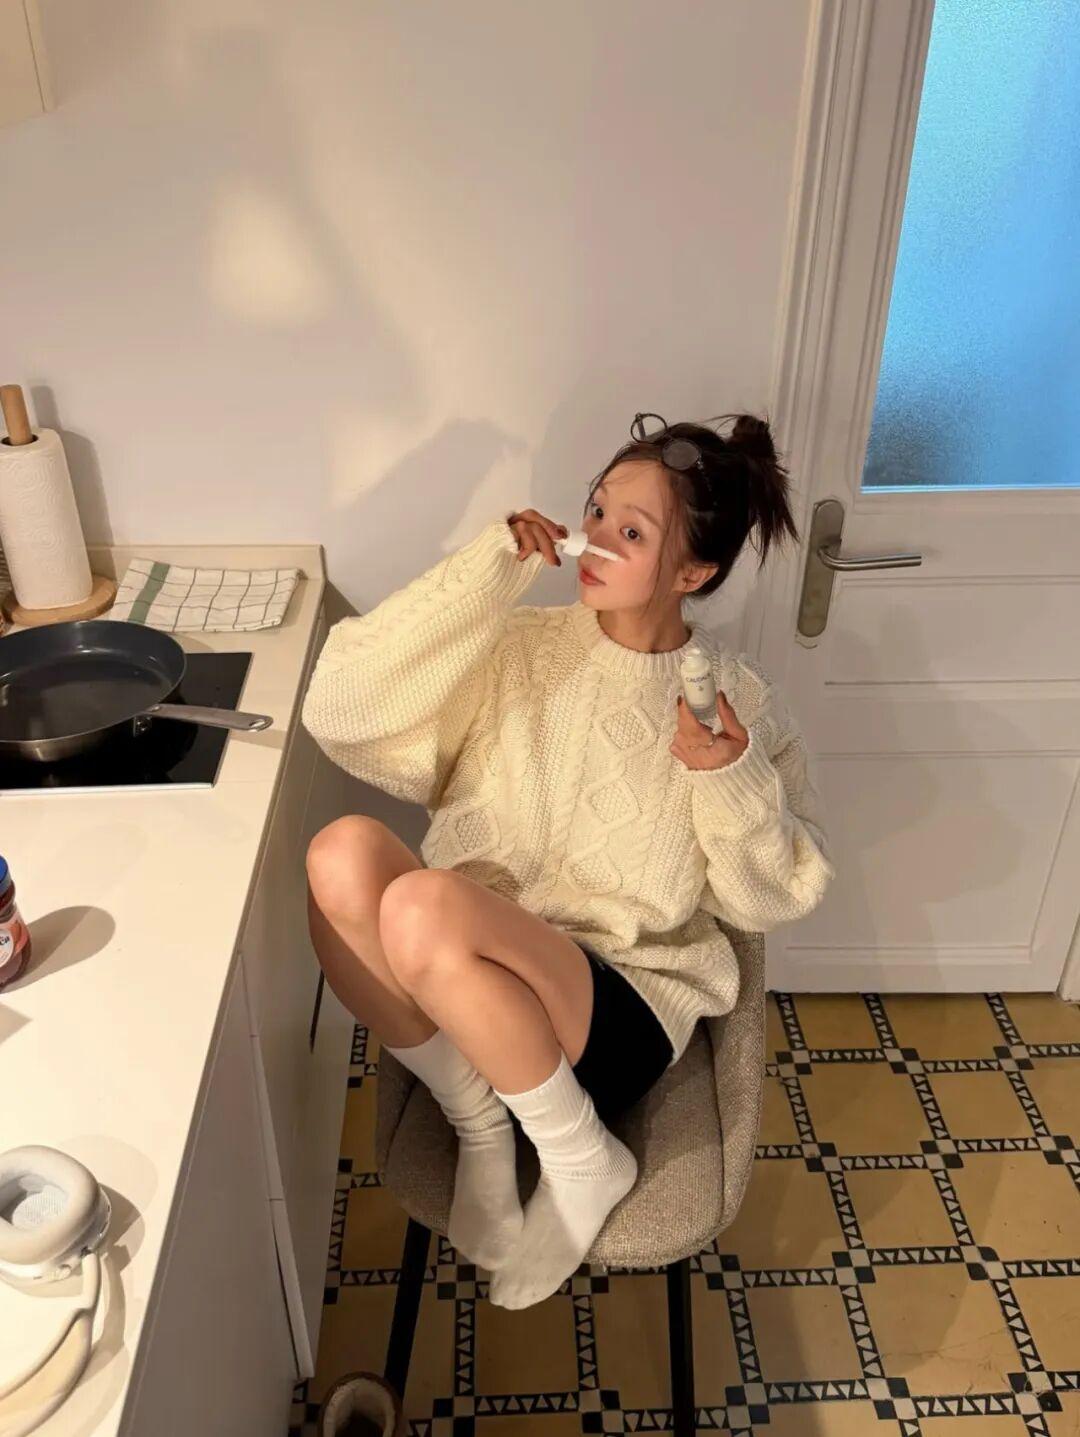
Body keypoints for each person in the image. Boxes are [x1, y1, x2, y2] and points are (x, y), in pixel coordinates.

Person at [301, 411, 835, 1311]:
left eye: (633, 532)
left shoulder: (736, 703)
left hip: (614, 1007)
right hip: (464, 978)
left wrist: (730, 778)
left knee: (422, 906)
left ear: (692, 573)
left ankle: (582, 1154)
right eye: (596, 510)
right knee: (339, 853)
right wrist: (483, 575)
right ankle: (479, 1115)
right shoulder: (518, 645)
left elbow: (772, 895)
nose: (594, 539)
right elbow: (340, 709)